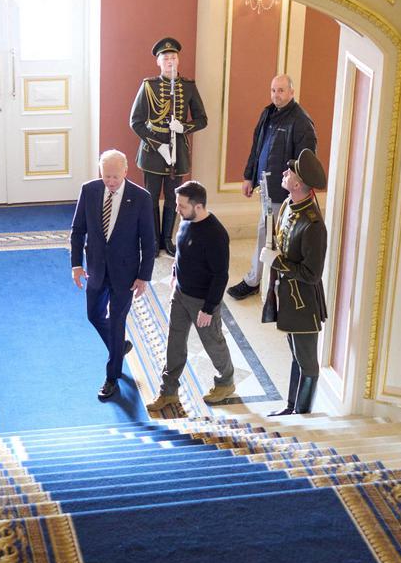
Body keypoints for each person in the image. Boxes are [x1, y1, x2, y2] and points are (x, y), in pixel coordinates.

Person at [70, 150, 157, 400]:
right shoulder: (89, 191)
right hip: (96, 269)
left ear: (126, 172)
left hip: (125, 274)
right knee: (93, 315)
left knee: (117, 321)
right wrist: (76, 264)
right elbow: (78, 231)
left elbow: (148, 241)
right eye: (106, 175)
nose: (110, 181)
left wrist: (144, 276)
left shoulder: (141, 198)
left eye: (115, 177)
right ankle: (119, 348)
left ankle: (112, 378)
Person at [146, 181, 237, 413]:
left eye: (181, 206)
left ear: (198, 207)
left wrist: (208, 309)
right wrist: (175, 273)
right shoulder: (186, 222)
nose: (177, 210)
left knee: (213, 343)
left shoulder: (216, 235)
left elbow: (220, 276)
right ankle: (168, 391)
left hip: (202, 302)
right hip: (181, 294)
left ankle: (225, 382)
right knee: (174, 343)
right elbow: (182, 251)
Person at [228, 74, 317, 301]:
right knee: (265, 233)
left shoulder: (301, 121)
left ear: (292, 92)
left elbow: (305, 162)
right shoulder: (268, 114)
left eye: (281, 90)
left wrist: (295, 192)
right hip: (265, 189)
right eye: (273, 90)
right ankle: (259, 281)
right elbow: (256, 148)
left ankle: (264, 283)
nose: (276, 95)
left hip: (284, 193)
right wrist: (249, 176)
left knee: (279, 239)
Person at [261, 149, 330, 416]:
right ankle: (291, 407)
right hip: (289, 298)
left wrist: (276, 262)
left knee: (308, 364)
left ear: (298, 183)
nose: (284, 173)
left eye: (290, 172)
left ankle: (302, 415)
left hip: (303, 305)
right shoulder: (291, 204)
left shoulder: (313, 225)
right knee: (296, 356)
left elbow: (312, 274)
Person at [129, 36, 207, 254]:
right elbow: (135, 122)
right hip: (153, 152)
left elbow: (202, 119)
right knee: (151, 197)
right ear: (159, 62)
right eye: (165, 58)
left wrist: (183, 128)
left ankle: (167, 240)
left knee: (174, 197)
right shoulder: (148, 86)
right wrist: (158, 145)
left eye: (173, 57)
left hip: (177, 152)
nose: (170, 61)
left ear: (178, 60)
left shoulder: (188, 86)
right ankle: (153, 241)